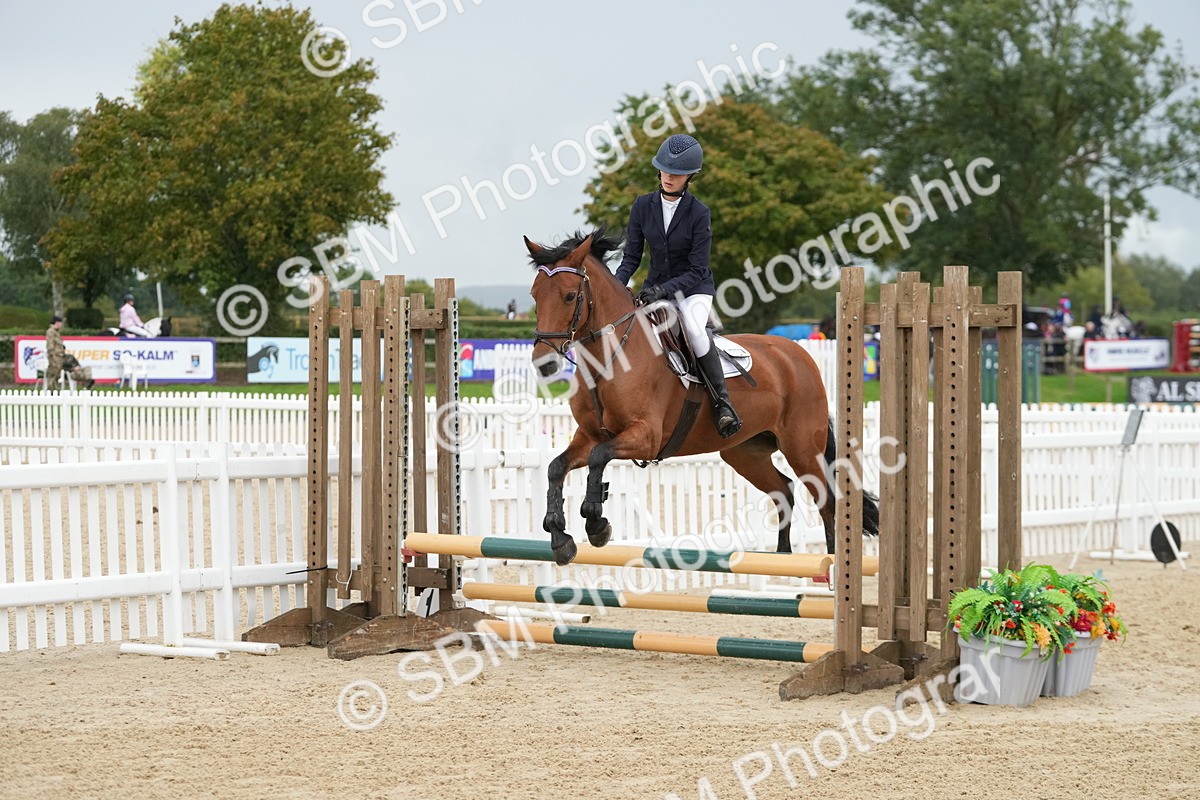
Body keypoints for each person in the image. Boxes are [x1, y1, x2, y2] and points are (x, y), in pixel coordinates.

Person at [614, 133, 740, 437]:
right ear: (658, 170)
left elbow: (699, 269)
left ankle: (723, 404)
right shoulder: (642, 206)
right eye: (665, 170)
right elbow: (631, 256)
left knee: (696, 333)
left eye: (678, 173)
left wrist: (663, 290)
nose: (670, 177)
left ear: (690, 177)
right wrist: (616, 286)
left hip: (694, 291)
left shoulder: (699, 213)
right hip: (654, 289)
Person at [45, 315, 95, 390]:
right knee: (53, 375)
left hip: (59, 357)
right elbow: (50, 346)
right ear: (57, 323)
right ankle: (51, 391)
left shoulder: (55, 332)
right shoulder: (51, 332)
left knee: (56, 375)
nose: (61, 325)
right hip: (55, 357)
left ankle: (54, 391)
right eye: (61, 323)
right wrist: (52, 356)